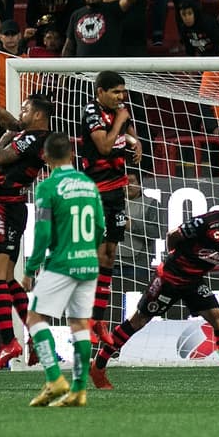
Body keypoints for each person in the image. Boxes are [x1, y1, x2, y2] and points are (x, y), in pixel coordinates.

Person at [90, 181, 219, 391]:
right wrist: (175, 260)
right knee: (138, 321)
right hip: (169, 279)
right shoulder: (205, 223)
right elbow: (173, 235)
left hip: (193, 282)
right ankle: (98, 366)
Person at [0, 93, 52, 373]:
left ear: (38, 115)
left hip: (4, 208)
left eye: (26, 109)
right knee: (6, 279)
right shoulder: (32, 135)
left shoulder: (34, 138)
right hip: (11, 207)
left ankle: (9, 342)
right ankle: (39, 338)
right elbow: (11, 125)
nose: (22, 112)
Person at [25, 133, 105, 408]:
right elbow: (100, 228)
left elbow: (43, 231)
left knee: (34, 317)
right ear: (71, 155)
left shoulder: (47, 187)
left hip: (62, 262)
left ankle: (54, 378)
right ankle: (79, 390)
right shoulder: (88, 184)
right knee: (80, 324)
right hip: (89, 263)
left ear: (45, 158)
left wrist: (31, 267)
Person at [77, 70, 141, 345]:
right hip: (93, 193)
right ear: (100, 92)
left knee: (109, 256)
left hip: (115, 193)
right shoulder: (91, 112)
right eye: (115, 92)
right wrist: (122, 122)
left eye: (122, 92)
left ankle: (98, 319)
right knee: (91, 258)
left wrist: (134, 141)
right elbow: (103, 146)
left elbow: (129, 137)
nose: (120, 96)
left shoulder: (121, 111)